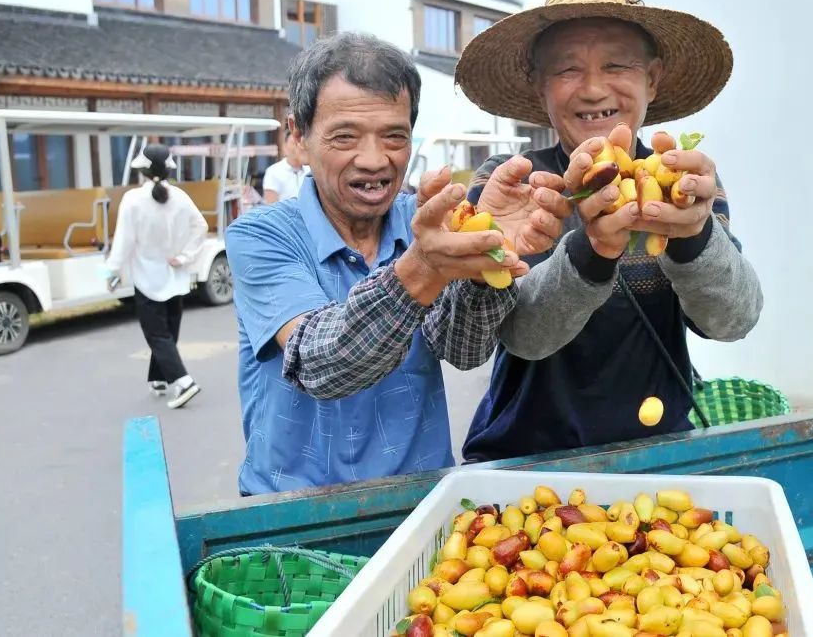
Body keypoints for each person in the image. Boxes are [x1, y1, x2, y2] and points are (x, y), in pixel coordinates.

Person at [224, 32, 570, 496]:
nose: (374, 160)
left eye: (394, 136)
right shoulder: (262, 235)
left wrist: (489, 261)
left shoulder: (424, 219)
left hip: (421, 499)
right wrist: (425, 267)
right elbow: (322, 365)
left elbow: (464, 350)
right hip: (294, 512)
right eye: (345, 136)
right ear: (300, 138)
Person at [454, 0, 764, 462]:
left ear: (653, 79)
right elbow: (523, 336)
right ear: (540, 88)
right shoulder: (511, 185)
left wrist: (693, 237)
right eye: (567, 70)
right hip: (526, 458)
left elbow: (732, 320)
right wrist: (591, 251)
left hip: (659, 453)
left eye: (617, 65)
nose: (594, 88)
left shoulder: (684, 182)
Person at [105, 144, 207, 409]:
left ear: (142, 170)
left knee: (157, 335)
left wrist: (113, 272)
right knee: (168, 333)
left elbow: (124, 242)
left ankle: (183, 382)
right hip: (176, 276)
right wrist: (184, 257)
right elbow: (201, 227)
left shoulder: (133, 200)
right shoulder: (181, 197)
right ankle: (159, 379)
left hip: (148, 279)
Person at [261, 132, 310, 203]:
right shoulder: (273, 171)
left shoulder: (310, 170)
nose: (298, 146)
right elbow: (270, 204)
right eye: (294, 143)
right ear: (285, 147)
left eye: (300, 143)